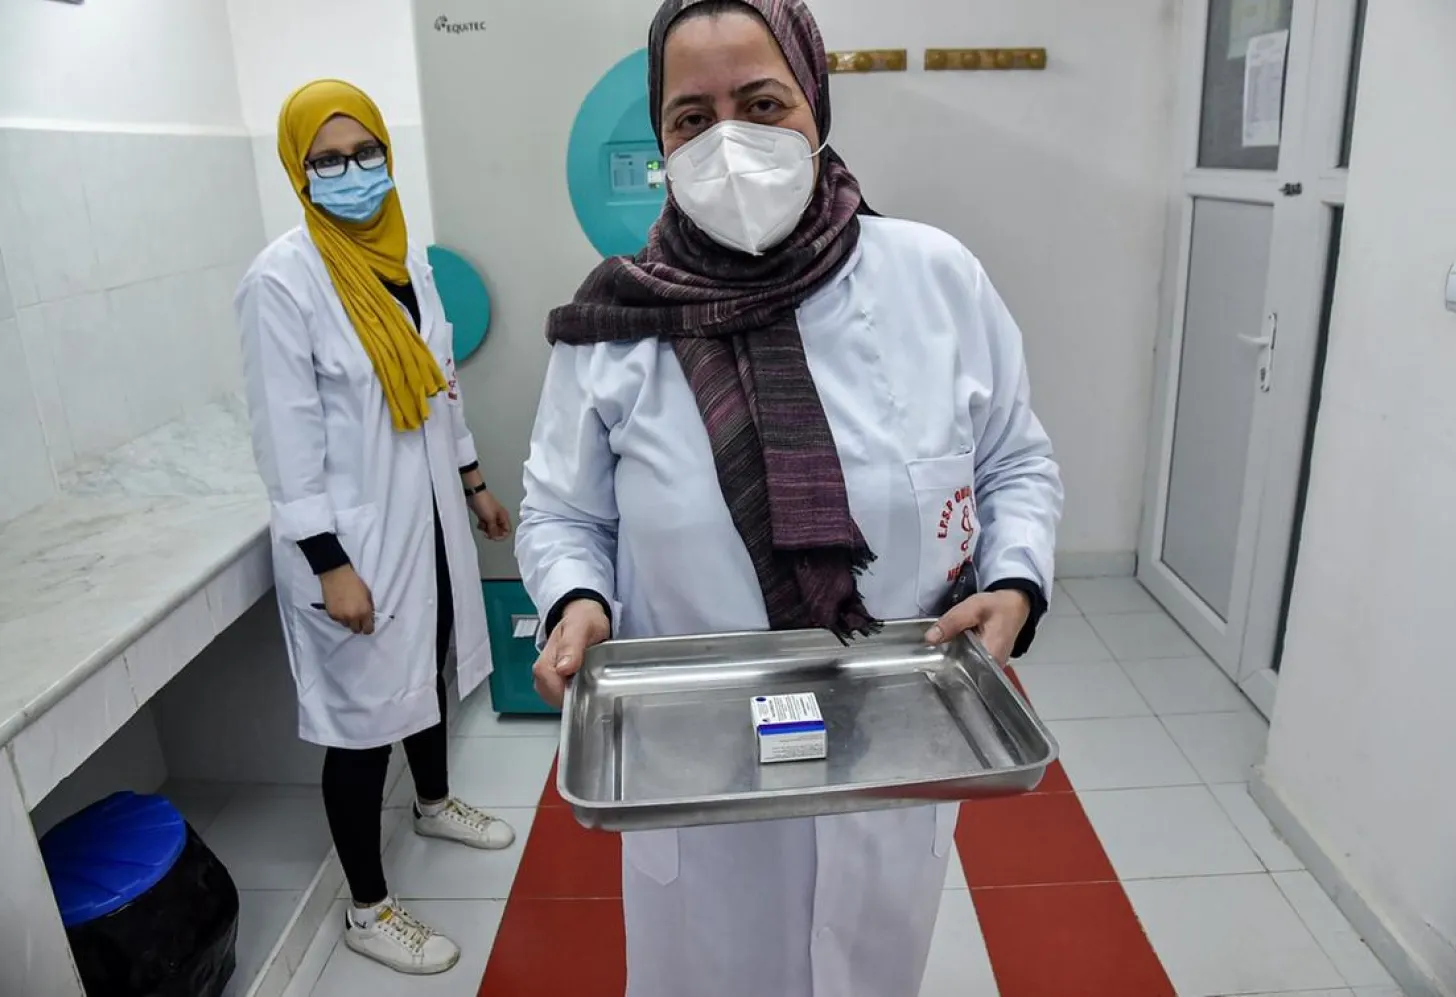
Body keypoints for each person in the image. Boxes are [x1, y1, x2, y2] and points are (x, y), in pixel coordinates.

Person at [515, 1, 1064, 994]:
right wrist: (576, 600)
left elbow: (1014, 461)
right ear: (661, 137)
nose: (731, 141)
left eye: (762, 103)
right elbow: (562, 513)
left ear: (814, 103)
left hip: (890, 754)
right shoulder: (617, 323)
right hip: (698, 781)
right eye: (692, 117)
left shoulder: (936, 281)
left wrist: (1015, 580)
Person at [235, 80, 515, 977]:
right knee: (360, 721)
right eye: (328, 160)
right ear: (298, 169)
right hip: (352, 539)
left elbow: (437, 384)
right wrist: (329, 563)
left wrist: (470, 478)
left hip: (425, 513)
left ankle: (433, 800)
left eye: (365, 155)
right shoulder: (283, 280)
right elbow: (285, 436)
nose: (351, 173)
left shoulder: (406, 259)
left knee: (424, 664)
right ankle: (367, 906)